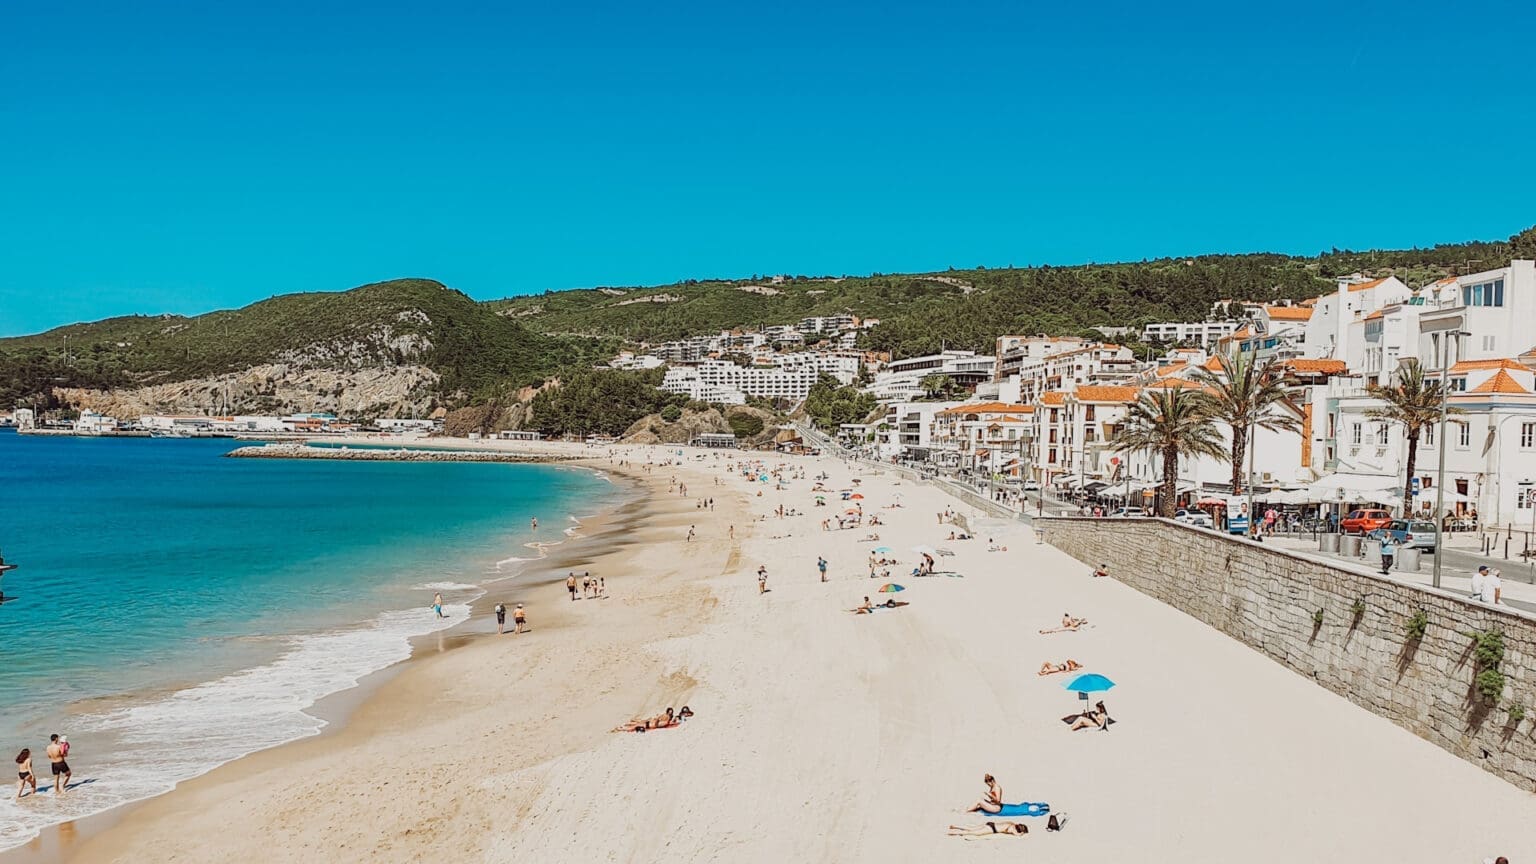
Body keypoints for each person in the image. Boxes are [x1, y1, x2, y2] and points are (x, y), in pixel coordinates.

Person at [946, 822, 1027, 837]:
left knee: (972, 828)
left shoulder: (1011, 823)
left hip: (991, 823)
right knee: (974, 833)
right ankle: (954, 833)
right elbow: (1018, 835)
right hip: (992, 829)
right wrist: (1022, 833)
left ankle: (954, 826)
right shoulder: (1013, 829)